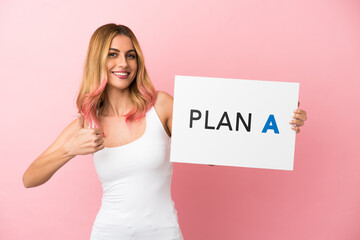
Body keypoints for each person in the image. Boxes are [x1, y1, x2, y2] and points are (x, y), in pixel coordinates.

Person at [22, 23, 307, 239]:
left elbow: (212, 151)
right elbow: (29, 178)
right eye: (113, 55)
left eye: (130, 56)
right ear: (98, 60)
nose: (123, 63)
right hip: (109, 233)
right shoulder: (86, 123)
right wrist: (69, 148)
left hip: (163, 232)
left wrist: (281, 123)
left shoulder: (160, 105)